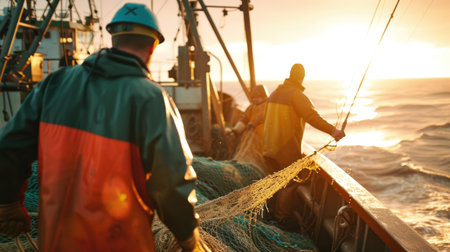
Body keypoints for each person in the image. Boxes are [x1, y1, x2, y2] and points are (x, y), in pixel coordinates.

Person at [0, 3, 205, 251]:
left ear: (114, 38)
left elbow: (10, 146)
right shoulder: (154, 100)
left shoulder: (54, 84)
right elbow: (171, 183)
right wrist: (188, 238)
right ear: (152, 46)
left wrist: (9, 202)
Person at [263, 63, 345, 223]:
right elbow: (312, 116)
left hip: (268, 148)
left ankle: (270, 215)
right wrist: (333, 131)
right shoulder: (296, 95)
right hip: (285, 150)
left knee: (273, 183)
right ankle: (281, 220)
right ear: (302, 77)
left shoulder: (274, 94)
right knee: (290, 185)